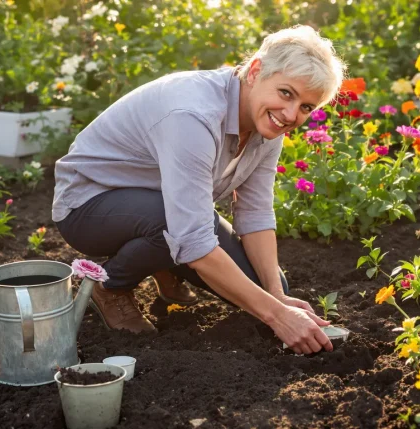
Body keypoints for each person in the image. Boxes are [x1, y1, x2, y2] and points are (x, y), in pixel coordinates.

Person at [52, 25, 346, 355]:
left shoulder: (268, 125)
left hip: (158, 204)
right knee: (175, 226)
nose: (291, 115)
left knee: (265, 286)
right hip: (87, 205)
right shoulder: (193, 115)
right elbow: (192, 235)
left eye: (306, 107)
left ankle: (160, 262)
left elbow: (255, 210)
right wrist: (279, 318)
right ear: (255, 71)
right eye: (286, 93)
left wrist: (277, 297)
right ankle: (109, 287)